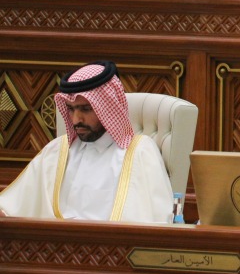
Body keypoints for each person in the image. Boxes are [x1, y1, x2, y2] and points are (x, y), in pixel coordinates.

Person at [0, 61, 173, 222]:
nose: (76, 120)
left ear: (108, 107)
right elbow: (11, 207)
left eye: (85, 109)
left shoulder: (138, 152)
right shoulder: (58, 151)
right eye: (71, 109)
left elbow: (150, 220)